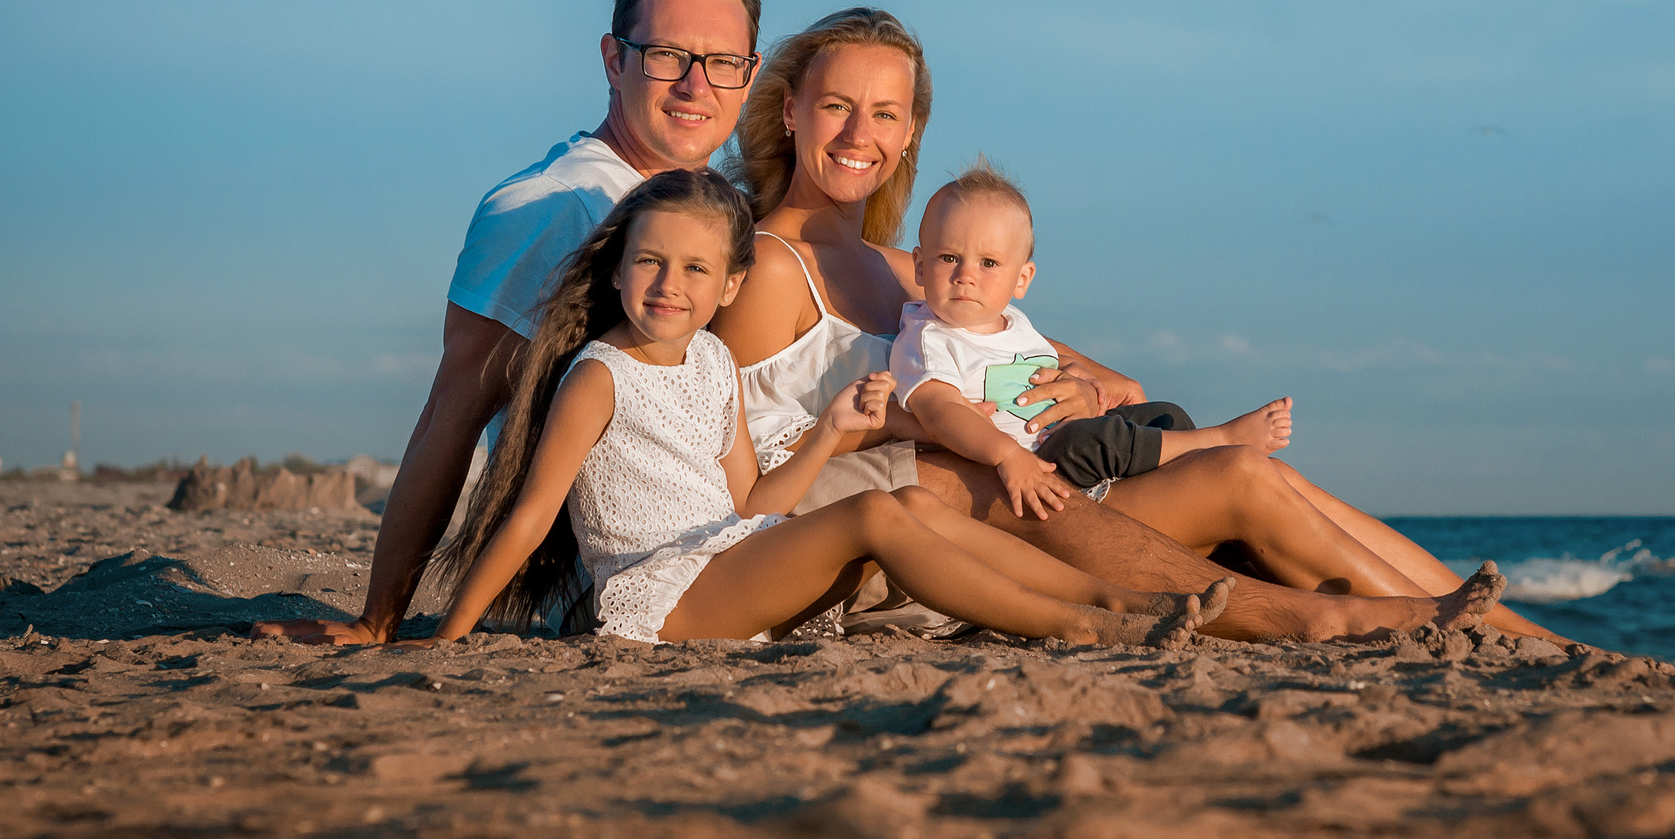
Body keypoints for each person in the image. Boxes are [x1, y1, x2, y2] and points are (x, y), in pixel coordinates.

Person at [713, 6, 1548, 644]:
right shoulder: (768, 266)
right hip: (913, 527)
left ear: (909, 135)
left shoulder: (908, 269)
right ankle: (1347, 619)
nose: (862, 135)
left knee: (1245, 473)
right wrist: (929, 421)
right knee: (1228, 484)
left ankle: (1511, 631)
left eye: (887, 114)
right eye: (836, 106)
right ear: (790, 111)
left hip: (1011, 490)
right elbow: (731, 462)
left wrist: (1074, 390)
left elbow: (1115, 385)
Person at [426, 167, 1219, 648]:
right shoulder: (601, 374)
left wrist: (829, 432)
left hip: (728, 552)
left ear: (730, 286)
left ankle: (1121, 598)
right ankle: (1085, 623)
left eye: (696, 269)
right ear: (620, 271)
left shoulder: (711, 360)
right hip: (659, 595)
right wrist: (452, 635)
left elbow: (750, 502)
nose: (672, 285)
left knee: (907, 501)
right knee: (875, 514)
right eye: (651, 263)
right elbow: (531, 514)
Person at [260, 0, 771, 645]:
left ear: (750, 76)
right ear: (613, 59)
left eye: (720, 63)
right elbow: (453, 408)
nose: (694, 85)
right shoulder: (547, 208)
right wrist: (379, 618)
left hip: (730, 530)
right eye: (665, 55)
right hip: (632, 576)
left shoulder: (717, 213)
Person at [893, 160, 1291, 509]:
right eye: (948, 258)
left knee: (1164, 415)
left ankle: (1195, 475)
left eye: (989, 263)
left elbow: (1052, 365)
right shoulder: (928, 339)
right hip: (1042, 458)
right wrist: (1006, 456)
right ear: (921, 266)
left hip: (1069, 434)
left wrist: (1082, 380)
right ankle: (1219, 440)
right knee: (1096, 440)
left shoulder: (1015, 323)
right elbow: (939, 410)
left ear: (1022, 279)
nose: (966, 275)